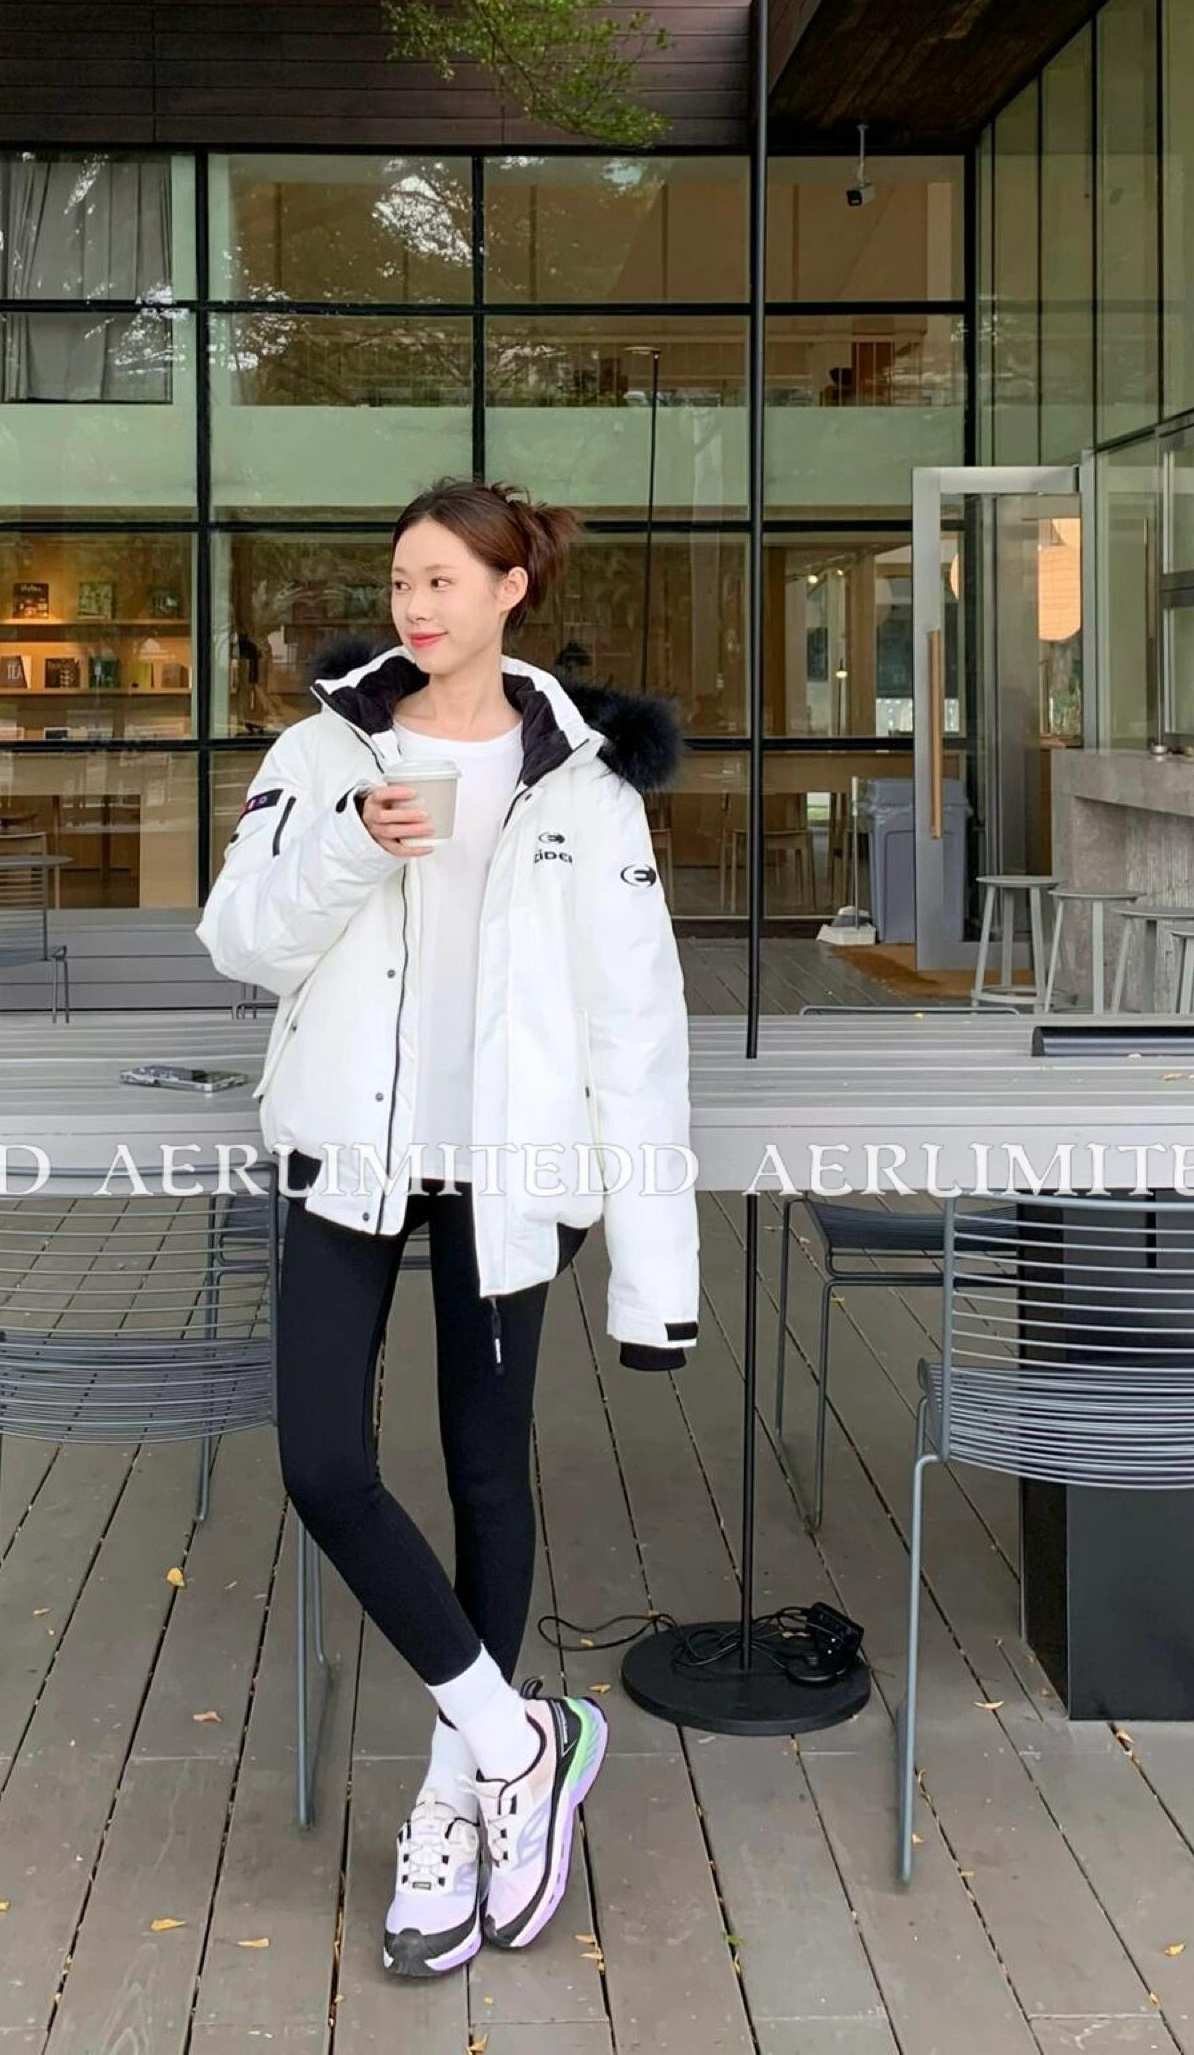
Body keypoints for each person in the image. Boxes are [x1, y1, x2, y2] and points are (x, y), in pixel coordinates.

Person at [196, 477, 700, 1980]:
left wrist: (657, 1274)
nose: (415, 606)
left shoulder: (589, 784)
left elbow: (639, 1032)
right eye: (402, 580)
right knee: (322, 1464)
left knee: (487, 1472)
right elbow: (238, 942)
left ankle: (453, 1796)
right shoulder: (324, 750)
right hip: (345, 1154)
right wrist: (351, 841)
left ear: (508, 591)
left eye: (443, 581)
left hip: (510, 1171)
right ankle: (516, 1739)